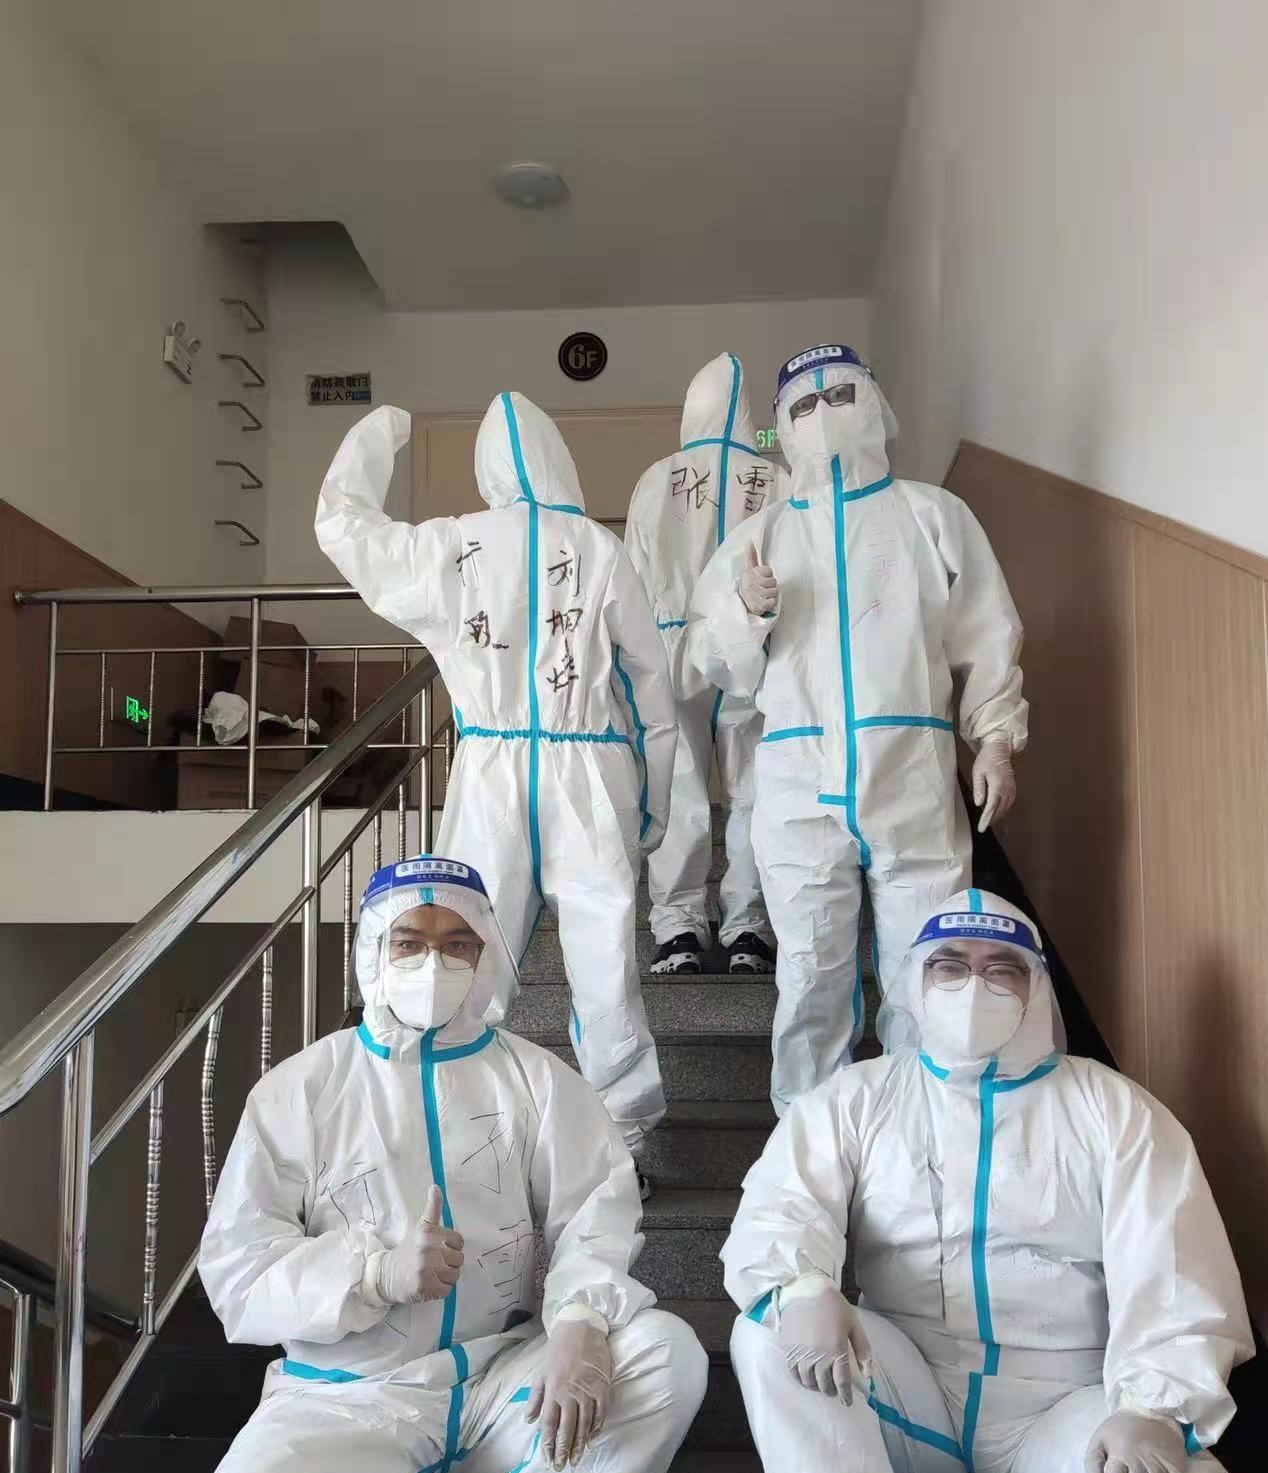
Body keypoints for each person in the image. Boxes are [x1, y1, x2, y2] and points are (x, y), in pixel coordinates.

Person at [117, 857, 708, 1473]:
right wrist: (374, 1272)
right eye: (411, 942)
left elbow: (594, 1212)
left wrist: (580, 1319)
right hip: (346, 1402)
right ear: (373, 952)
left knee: (666, 1354)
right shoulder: (300, 1091)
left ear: (488, 954)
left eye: (458, 943)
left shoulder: (539, 1082)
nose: (435, 963)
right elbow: (238, 1273)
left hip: (500, 1388)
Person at [722, 888, 1268, 1473]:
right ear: (917, 982)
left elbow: (1174, 1265)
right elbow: (782, 1208)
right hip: (910, 1408)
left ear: (1036, 987)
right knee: (767, 1331)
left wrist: (1154, 1409)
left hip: (1065, 1416)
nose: (973, 987)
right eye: (950, 966)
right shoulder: (856, 1099)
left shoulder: (1114, 1110)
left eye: (1001, 969)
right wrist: (803, 1287)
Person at [315, 398, 677, 1160]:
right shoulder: (599, 548)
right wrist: (654, 801)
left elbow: (345, 527)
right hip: (591, 769)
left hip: (490, 771)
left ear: (488, 470)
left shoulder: (454, 545)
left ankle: (459, 1140)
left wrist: (378, 435)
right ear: (558, 460)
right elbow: (649, 684)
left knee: (468, 954)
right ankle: (623, 1144)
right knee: (605, 965)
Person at [687, 344, 1028, 1114]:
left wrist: (995, 739)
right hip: (798, 778)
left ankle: (925, 1138)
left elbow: (985, 633)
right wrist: (746, 612)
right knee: (811, 976)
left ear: (876, 405)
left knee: (926, 970)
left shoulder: (931, 515)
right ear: (783, 428)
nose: (825, 416)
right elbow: (718, 665)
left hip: (910, 770)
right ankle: (812, 1144)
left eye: (841, 395)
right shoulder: (763, 535)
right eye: (803, 407)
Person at [624, 352, 778, 975]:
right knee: (756, 792)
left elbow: (632, 575)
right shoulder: (776, 476)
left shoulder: (656, 478)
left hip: (669, 647)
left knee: (677, 788)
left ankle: (679, 929)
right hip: (753, 645)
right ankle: (749, 931)